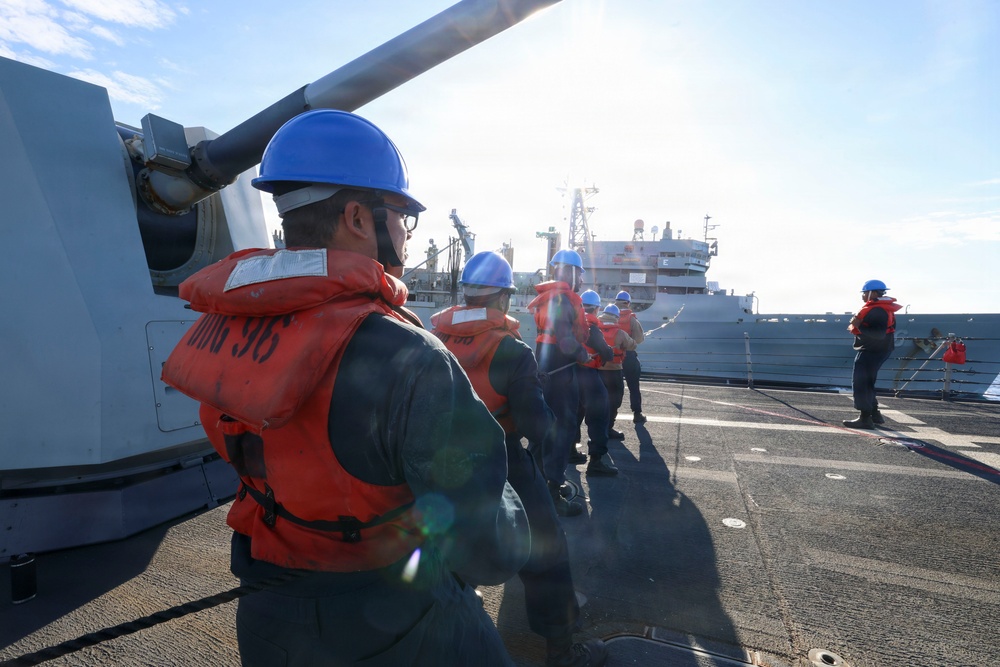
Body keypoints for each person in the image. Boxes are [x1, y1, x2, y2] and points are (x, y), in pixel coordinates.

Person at [161, 109, 530, 667]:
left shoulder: (229, 320)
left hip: (267, 615)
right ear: (359, 216)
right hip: (392, 622)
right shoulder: (409, 356)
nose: (406, 236)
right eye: (402, 217)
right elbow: (489, 553)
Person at [431, 251, 608, 667]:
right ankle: (562, 650)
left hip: (445, 461)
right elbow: (538, 428)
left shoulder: (433, 337)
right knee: (547, 551)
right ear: (503, 299)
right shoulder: (512, 351)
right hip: (504, 460)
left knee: (447, 543)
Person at [527, 249, 592, 516]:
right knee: (562, 429)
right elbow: (566, 339)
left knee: (543, 425)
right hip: (560, 371)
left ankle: (538, 483)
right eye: (579, 275)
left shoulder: (550, 298)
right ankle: (551, 492)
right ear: (573, 273)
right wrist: (582, 353)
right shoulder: (564, 301)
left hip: (545, 366)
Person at [843, 279, 901, 429]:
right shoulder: (885, 309)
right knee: (868, 382)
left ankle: (865, 418)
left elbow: (878, 334)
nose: (862, 296)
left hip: (871, 350)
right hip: (882, 350)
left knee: (861, 382)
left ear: (872, 293)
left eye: (864, 293)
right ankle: (874, 414)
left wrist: (858, 325)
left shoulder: (877, 310)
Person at [574, 290, 617, 476]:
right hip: (589, 374)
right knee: (599, 415)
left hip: (571, 374)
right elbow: (605, 353)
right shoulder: (592, 326)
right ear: (597, 308)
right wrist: (609, 352)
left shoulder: (573, 322)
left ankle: (569, 451)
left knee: (573, 415)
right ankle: (596, 461)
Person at [597, 304, 637, 440]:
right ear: (616, 317)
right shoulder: (620, 333)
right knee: (614, 401)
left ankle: (599, 428)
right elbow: (632, 344)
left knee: (598, 401)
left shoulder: (596, 330)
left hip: (598, 371)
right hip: (614, 372)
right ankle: (608, 428)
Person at [614, 291, 647, 424]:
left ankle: (611, 416)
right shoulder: (631, 319)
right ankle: (637, 414)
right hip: (629, 357)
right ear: (628, 303)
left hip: (613, 357)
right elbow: (639, 339)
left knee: (614, 387)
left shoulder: (609, 315)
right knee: (634, 386)